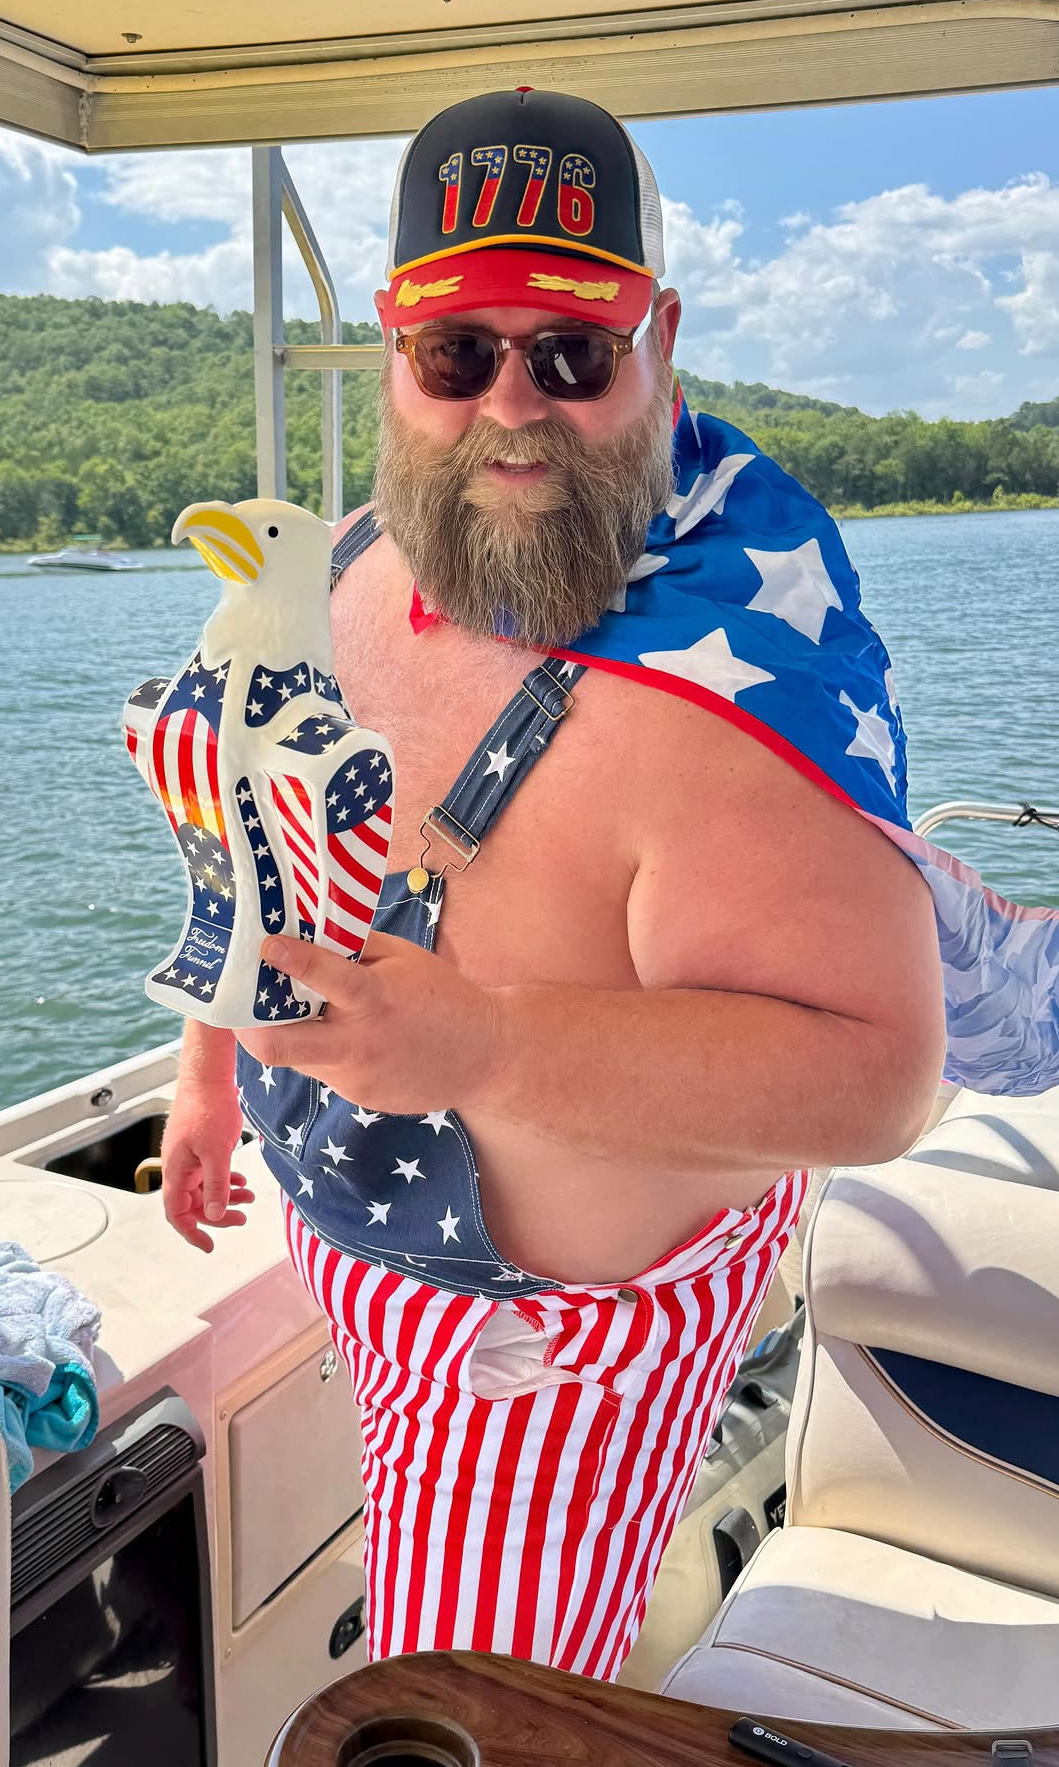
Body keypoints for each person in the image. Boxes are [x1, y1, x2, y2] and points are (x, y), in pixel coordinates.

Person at [161, 87, 946, 1682]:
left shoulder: (734, 700)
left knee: (456, 1717)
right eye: (458, 354)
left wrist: (488, 1045)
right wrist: (206, 1074)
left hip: (548, 1368)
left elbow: (878, 1079)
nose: (510, 408)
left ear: (661, 341)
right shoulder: (354, 556)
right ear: (394, 350)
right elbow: (253, 824)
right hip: (353, 1242)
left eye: (572, 353)